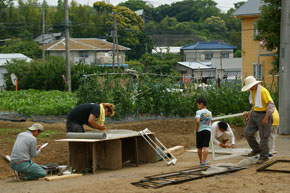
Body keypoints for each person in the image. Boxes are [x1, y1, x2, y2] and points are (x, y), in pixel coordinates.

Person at [242, 76, 274, 164]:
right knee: (248, 132)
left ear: (254, 84)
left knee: (263, 137)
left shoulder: (263, 91)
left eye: (250, 87)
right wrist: (250, 114)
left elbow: (271, 105)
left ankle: (264, 156)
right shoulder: (252, 91)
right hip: (255, 114)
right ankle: (256, 149)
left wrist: (266, 117)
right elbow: (255, 105)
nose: (250, 88)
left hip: (264, 114)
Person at [195, 97, 212, 166]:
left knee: (199, 147)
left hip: (200, 131)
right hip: (208, 130)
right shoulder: (209, 112)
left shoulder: (199, 112)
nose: (197, 106)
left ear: (201, 104)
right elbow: (209, 121)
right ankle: (203, 161)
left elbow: (198, 120)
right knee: (206, 147)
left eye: (198, 105)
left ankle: (201, 161)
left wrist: (197, 127)